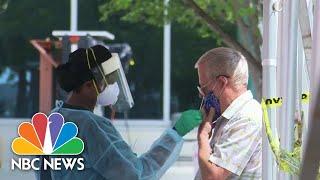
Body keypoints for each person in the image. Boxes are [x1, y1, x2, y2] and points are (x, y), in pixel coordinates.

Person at [37, 45, 202, 180]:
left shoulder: (51, 121)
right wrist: (175, 134)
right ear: (88, 85)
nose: (112, 87)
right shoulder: (91, 126)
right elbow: (136, 175)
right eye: (107, 82)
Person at [194, 47, 262, 180]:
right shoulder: (230, 117)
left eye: (203, 88)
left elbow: (213, 176)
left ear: (221, 83)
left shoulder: (246, 118)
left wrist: (202, 136)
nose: (201, 94)